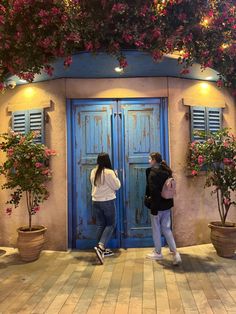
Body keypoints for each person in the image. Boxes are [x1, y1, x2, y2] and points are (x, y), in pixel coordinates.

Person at [146, 152, 182, 265]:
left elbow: (154, 192)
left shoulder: (153, 173)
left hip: (157, 206)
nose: (148, 161)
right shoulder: (167, 171)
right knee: (167, 229)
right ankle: (175, 253)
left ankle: (158, 252)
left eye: (149, 159)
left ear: (154, 160)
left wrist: (154, 208)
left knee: (156, 229)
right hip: (166, 205)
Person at [90, 152, 121, 264]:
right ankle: (101, 247)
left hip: (95, 202)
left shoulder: (93, 171)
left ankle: (100, 250)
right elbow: (117, 186)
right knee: (111, 224)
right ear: (108, 160)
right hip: (107, 201)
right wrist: (116, 176)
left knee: (101, 225)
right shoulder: (109, 172)